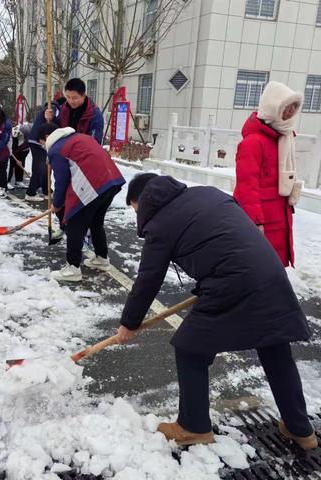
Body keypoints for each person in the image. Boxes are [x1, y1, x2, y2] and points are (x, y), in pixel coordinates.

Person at [117, 173, 317, 450]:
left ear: (141, 200)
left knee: (190, 347)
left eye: (135, 209)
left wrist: (129, 322)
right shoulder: (209, 193)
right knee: (274, 345)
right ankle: (300, 429)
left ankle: (193, 426)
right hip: (270, 273)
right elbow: (224, 240)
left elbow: (148, 278)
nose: (138, 216)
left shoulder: (160, 223)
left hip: (233, 281)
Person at [38, 123, 125, 282]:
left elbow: (62, 181)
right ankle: (102, 259)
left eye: (42, 143)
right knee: (95, 222)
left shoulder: (57, 149)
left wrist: (57, 204)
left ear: (46, 138)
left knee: (74, 223)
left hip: (93, 186)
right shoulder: (79, 137)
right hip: (111, 181)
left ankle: (73, 268)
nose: (43, 147)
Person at [234, 81, 304, 267]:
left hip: (280, 217)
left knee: (272, 269)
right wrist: (255, 222)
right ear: (272, 107)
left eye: (293, 108)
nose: (289, 113)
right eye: (286, 107)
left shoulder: (285, 138)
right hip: (262, 220)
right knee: (258, 268)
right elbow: (246, 186)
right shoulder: (253, 143)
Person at [26, 94, 66, 201]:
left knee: (46, 168)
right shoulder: (52, 108)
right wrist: (49, 116)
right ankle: (30, 193)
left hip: (43, 141)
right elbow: (50, 119)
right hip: (39, 142)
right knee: (40, 168)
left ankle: (47, 191)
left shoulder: (54, 109)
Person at [47, 78, 104, 144]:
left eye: (75, 98)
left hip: (82, 151)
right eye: (68, 97)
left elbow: (95, 143)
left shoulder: (94, 115)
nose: (71, 101)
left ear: (83, 96)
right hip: (63, 149)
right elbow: (57, 129)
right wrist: (51, 119)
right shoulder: (64, 108)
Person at [9, 124, 31, 189]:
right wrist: (16, 159)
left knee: (21, 164)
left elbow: (25, 149)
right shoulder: (13, 133)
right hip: (12, 150)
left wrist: (20, 159)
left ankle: (18, 181)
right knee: (11, 163)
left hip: (22, 149)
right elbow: (13, 147)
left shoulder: (28, 138)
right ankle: (7, 182)